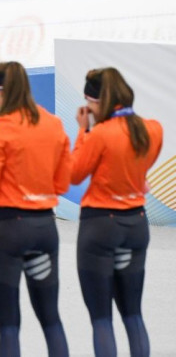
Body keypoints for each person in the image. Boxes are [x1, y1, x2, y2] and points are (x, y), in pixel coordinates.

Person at [0, 62, 71, 357]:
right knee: (51, 319)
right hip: (44, 229)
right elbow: (61, 184)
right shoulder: (53, 124)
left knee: (9, 325)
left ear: (1, 91)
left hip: (7, 230)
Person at [71, 68, 163, 357]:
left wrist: (82, 131)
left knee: (102, 319)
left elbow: (74, 174)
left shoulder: (98, 134)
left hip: (100, 227)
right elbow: (142, 165)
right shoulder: (153, 129)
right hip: (136, 224)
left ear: (100, 103)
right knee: (133, 315)